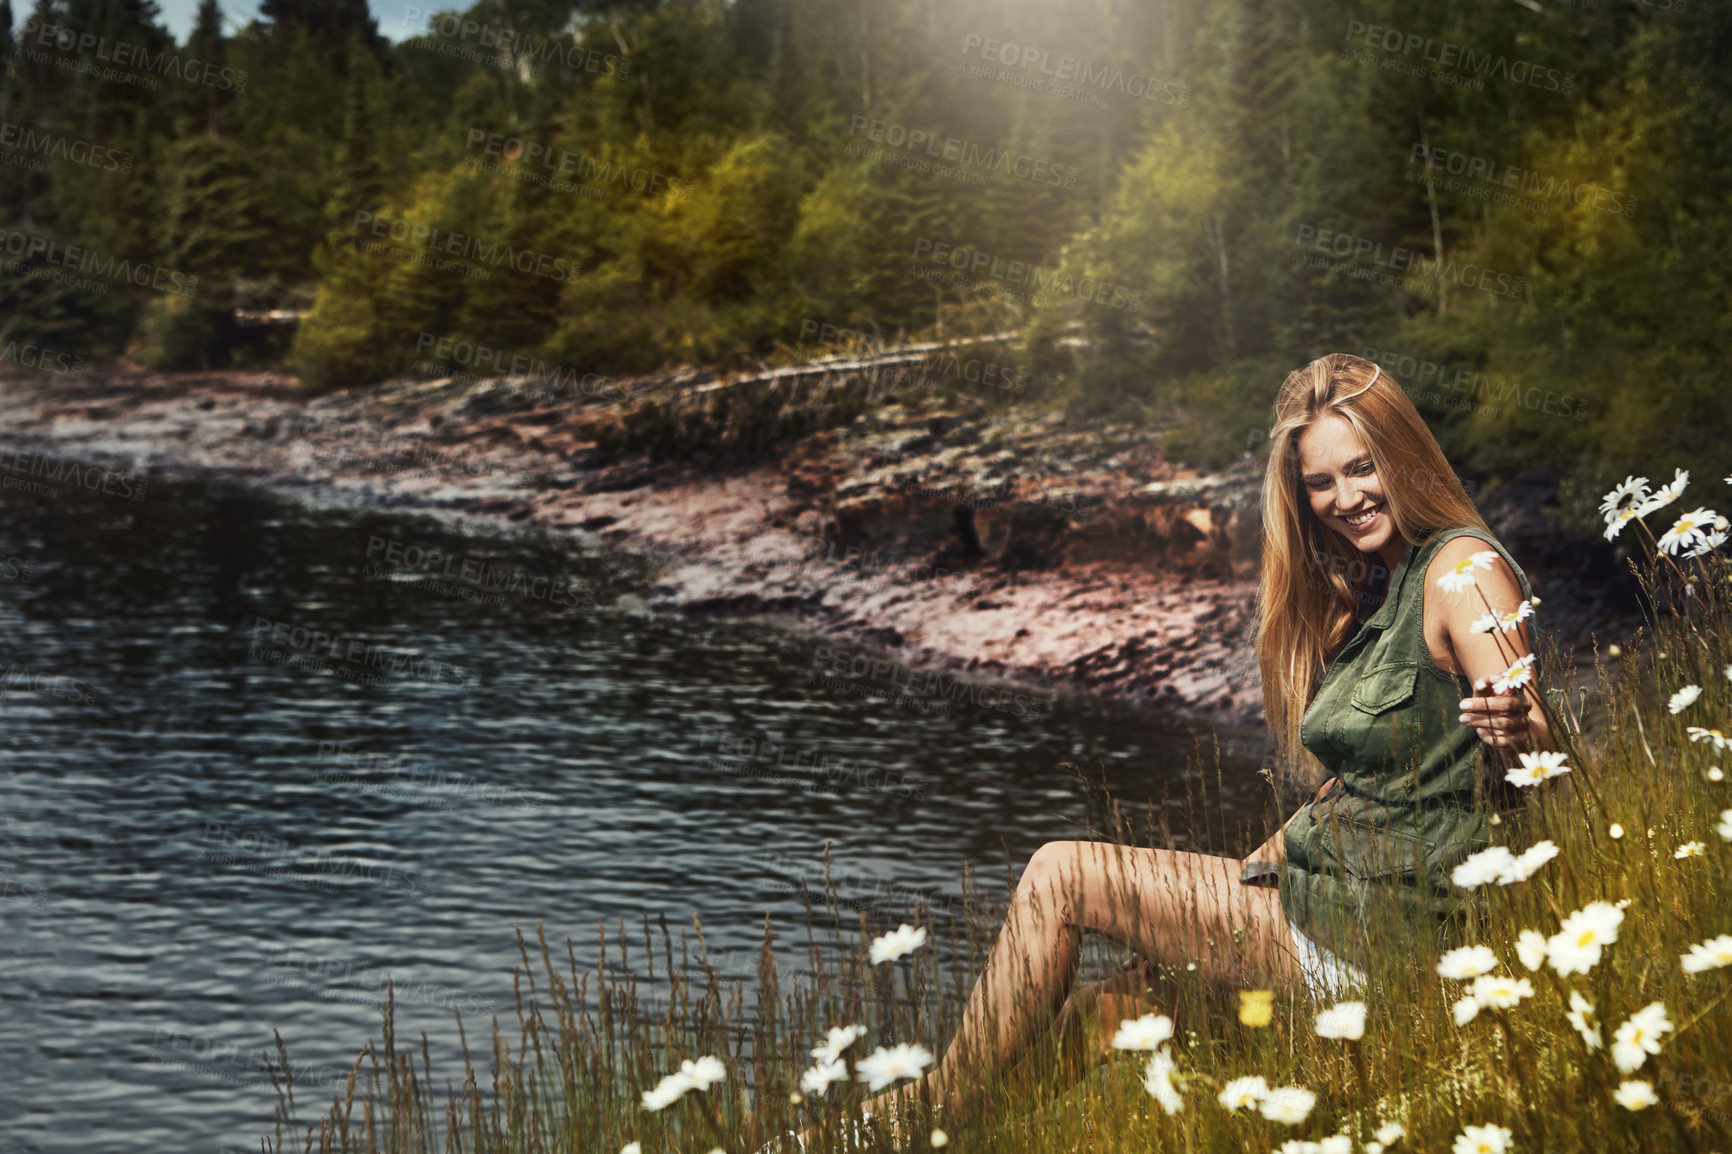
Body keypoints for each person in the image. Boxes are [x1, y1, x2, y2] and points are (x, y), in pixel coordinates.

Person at [843, 352, 1552, 1139]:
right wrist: (1238, 887)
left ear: (1402, 455)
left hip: (1381, 932)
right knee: (1111, 1006)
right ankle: (947, 1138)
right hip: (1318, 901)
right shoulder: (1392, 587)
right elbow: (1354, 787)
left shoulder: (1463, 568)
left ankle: (921, 1111)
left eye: (1364, 468)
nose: (1346, 498)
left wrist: (1521, 727)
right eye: (1322, 483)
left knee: (1061, 874)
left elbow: (1525, 724)